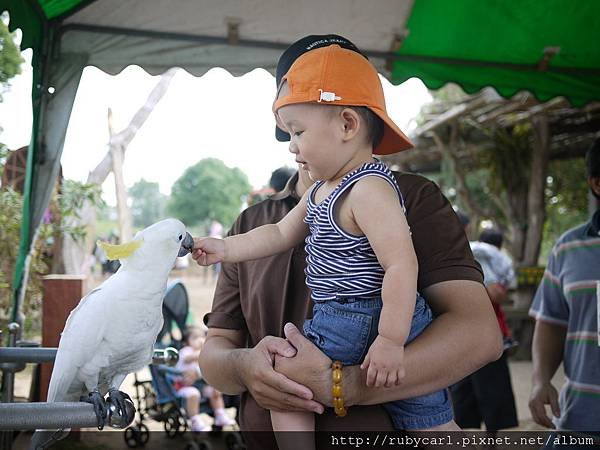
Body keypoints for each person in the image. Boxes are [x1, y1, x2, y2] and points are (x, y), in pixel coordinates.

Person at [198, 35, 501, 450]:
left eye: (299, 131)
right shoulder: (269, 214)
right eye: (290, 130)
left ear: (347, 124)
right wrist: (247, 366)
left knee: (427, 423)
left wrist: (344, 382)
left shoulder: (396, 194)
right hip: (317, 365)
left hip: (365, 332)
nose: (293, 145)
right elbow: (217, 351)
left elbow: (479, 334)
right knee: (431, 422)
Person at [528, 138, 600, 436]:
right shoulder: (569, 248)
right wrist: (540, 380)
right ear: (597, 184)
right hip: (582, 419)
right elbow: (552, 322)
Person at [450, 227, 519, 431]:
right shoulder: (485, 260)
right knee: (490, 389)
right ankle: (490, 438)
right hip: (484, 335)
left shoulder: (468, 255)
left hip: (461, 334)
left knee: (465, 391)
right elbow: (494, 294)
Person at [174, 325, 236, 431]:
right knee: (193, 393)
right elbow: (190, 358)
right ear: (186, 342)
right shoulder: (185, 351)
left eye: (202, 337)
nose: (200, 340)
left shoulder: (203, 352)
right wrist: (206, 352)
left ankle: (219, 414)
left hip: (200, 385)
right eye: (195, 338)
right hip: (183, 386)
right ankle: (195, 421)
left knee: (214, 391)